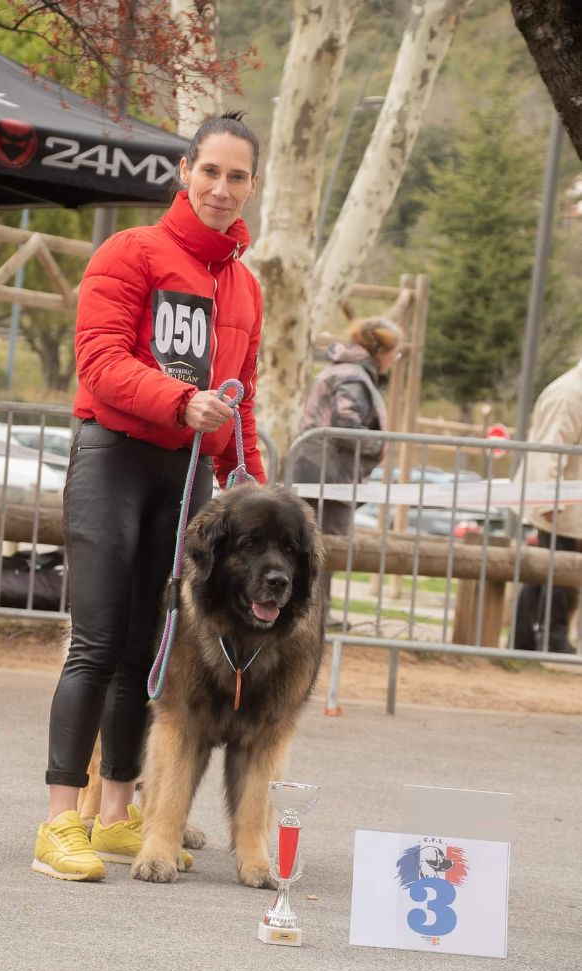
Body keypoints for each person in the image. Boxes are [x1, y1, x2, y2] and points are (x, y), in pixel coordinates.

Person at [31, 111, 266, 882]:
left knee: (148, 651)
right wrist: (177, 401)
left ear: (252, 185)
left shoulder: (246, 287)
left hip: (188, 473)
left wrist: (251, 484)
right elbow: (98, 361)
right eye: (210, 171)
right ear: (184, 173)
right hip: (113, 458)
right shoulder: (130, 252)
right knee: (97, 641)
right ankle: (60, 821)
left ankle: (115, 815)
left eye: (238, 176)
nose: (222, 188)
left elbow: (245, 398)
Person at [292, 316, 401, 625]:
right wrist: (378, 444)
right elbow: (344, 424)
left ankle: (314, 614)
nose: (395, 361)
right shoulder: (354, 377)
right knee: (328, 547)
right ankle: (314, 618)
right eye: (396, 354)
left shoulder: (345, 371)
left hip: (321, 473)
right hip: (328, 477)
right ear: (382, 351)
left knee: (320, 547)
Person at [514, 358, 582, 655]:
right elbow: (551, 450)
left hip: (568, 499)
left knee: (547, 572)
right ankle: (549, 637)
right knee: (557, 572)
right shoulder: (569, 394)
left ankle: (528, 639)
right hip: (561, 502)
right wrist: (549, 501)